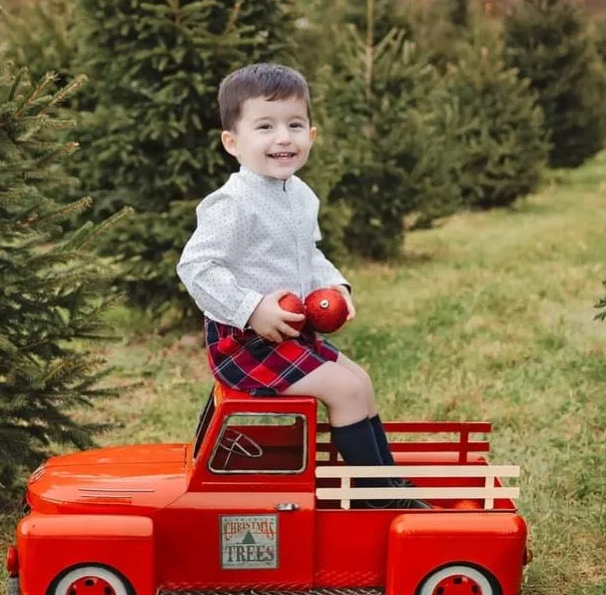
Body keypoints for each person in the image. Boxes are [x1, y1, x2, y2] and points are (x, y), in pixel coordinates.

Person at [177, 62, 426, 508]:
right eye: (265, 126)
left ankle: (388, 482)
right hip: (247, 342)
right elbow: (196, 266)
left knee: (360, 381)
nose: (283, 138)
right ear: (232, 143)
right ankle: (377, 498)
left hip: (290, 332)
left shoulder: (301, 195)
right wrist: (252, 309)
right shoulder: (233, 203)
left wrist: (337, 286)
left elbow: (309, 256)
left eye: (295, 124)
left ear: (311, 134)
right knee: (345, 390)